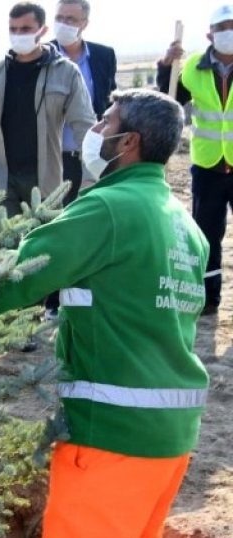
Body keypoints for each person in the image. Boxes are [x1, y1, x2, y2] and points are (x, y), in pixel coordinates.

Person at [0, 89, 206, 538]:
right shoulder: (185, 224)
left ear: (127, 142)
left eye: (104, 121)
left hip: (112, 435)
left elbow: (18, 274)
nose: (93, 129)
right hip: (172, 434)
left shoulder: (107, 208)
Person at [0, 2, 96, 217]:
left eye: (26, 29)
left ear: (43, 31)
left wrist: (89, 176)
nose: (18, 34)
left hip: (44, 183)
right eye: (13, 29)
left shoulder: (65, 73)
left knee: (42, 247)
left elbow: (85, 127)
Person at [157, 3, 233, 317]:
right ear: (210, 35)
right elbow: (168, 100)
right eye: (223, 28)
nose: (229, 33)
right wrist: (165, 65)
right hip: (208, 166)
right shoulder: (191, 68)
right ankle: (208, 297)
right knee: (206, 234)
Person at [42, 0, 117, 318]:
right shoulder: (41, 55)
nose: (63, 23)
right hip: (51, 157)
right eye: (59, 17)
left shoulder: (103, 56)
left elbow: (108, 100)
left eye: (70, 18)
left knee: (83, 229)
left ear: (85, 22)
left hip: (90, 157)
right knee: (50, 228)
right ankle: (49, 304)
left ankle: (75, 300)